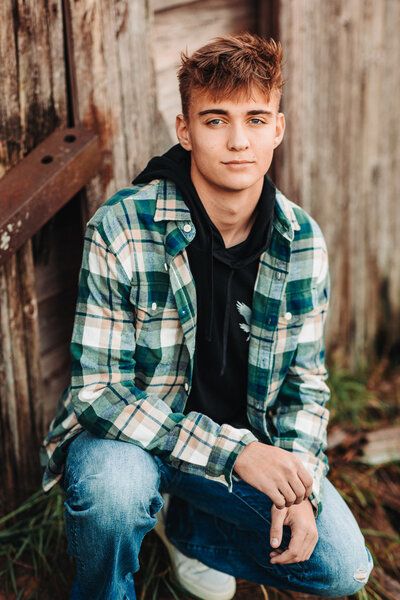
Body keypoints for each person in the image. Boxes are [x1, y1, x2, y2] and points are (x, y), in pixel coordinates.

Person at [40, 32, 374, 599]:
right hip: (133, 445)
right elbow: (99, 395)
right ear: (185, 130)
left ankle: (189, 529)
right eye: (216, 120)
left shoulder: (301, 242)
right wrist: (236, 452)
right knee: (114, 491)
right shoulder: (123, 227)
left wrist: (303, 491)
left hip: (240, 459)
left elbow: (305, 388)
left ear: (278, 129)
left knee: (343, 566)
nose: (239, 141)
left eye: (255, 118)